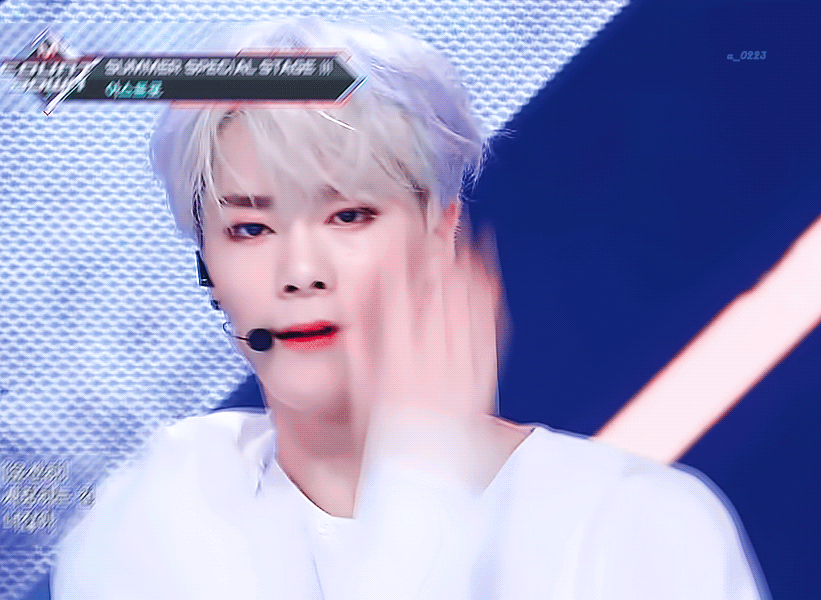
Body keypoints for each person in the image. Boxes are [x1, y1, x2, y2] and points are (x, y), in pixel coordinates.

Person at [51, 17, 769, 600]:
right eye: (250, 229)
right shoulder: (154, 519)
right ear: (207, 266)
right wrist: (422, 487)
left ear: (439, 230)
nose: (299, 273)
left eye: (348, 216)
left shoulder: (639, 526)